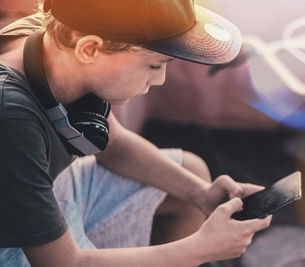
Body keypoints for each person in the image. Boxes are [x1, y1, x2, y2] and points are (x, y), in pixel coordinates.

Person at [0, 0, 272, 266]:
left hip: (54, 183)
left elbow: (114, 144)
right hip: (21, 243)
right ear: (90, 49)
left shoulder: (57, 44)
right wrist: (200, 249)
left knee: (191, 172)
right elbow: (63, 262)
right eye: (155, 65)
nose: (160, 79)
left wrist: (201, 194)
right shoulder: (12, 117)